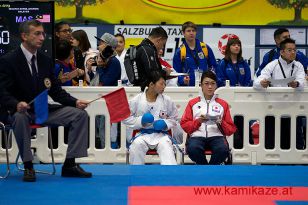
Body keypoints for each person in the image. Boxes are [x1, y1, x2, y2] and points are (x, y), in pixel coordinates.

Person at [0, 20, 92, 182]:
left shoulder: (45, 60)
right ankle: (28, 166)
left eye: (43, 33)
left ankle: (70, 165)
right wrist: (16, 104)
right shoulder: (8, 61)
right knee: (20, 118)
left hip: (42, 110)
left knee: (79, 114)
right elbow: (2, 92)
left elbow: (55, 90)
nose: (42, 38)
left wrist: (75, 102)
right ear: (24, 36)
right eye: (37, 34)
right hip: (17, 111)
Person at [253, 38, 306, 149]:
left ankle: (296, 166)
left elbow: (302, 81)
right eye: (290, 50)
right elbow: (256, 83)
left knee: (295, 144)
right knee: (270, 143)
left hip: (293, 110)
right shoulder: (272, 65)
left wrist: (296, 84)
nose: (293, 53)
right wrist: (262, 83)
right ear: (281, 52)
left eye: (294, 50)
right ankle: (269, 165)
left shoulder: (299, 66)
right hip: (273, 110)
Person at [180, 71, 237, 165]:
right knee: (193, 149)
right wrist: (198, 121)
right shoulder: (192, 103)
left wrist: (220, 122)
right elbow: (184, 124)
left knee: (222, 150)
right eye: (206, 84)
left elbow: (231, 129)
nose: (210, 87)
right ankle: (207, 168)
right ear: (201, 85)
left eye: (212, 84)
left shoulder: (223, 104)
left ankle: (209, 169)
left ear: (216, 85)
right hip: (197, 136)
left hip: (217, 136)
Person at [123, 70, 178, 165]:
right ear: (152, 84)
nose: (164, 87)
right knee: (136, 145)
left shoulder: (167, 100)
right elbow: (126, 118)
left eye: (165, 84)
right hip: (142, 134)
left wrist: (165, 124)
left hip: (161, 135)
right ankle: (137, 175)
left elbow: (174, 118)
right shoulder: (137, 100)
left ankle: (169, 175)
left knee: (166, 146)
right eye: (161, 84)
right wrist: (141, 121)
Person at [173, 21, 217, 86]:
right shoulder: (180, 52)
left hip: (205, 87)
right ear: (183, 33)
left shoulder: (205, 48)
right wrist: (183, 80)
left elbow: (214, 66)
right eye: (188, 31)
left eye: (193, 31)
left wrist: (211, 78)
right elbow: (176, 72)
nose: (191, 33)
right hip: (188, 88)